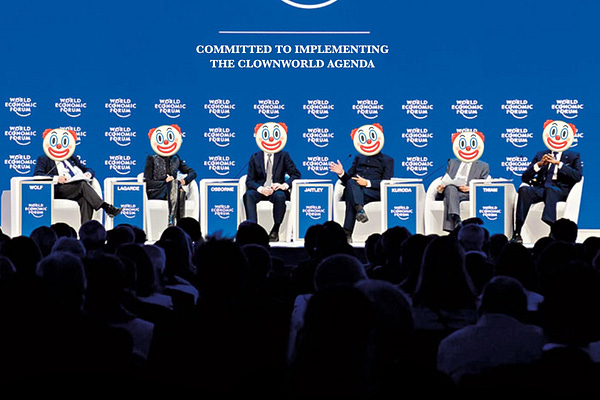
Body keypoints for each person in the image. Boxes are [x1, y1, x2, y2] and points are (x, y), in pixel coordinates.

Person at [512, 120, 583, 243]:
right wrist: (539, 164)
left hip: (560, 190)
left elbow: (577, 176)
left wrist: (558, 164)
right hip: (541, 188)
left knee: (551, 190)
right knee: (524, 190)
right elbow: (525, 178)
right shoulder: (541, 154)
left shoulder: (573, 156)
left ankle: (552, 228)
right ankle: (517, 231)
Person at [34, 128, 122, 223]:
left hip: (75, 188)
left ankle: (85, 229)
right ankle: (106, 207)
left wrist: (88, 174)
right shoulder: (44, 158)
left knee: (85, 200)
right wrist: (56, 178)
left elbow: (88, 169)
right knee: (82, 184)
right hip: (58, 189)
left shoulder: (72, 158)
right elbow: (37, 176)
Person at [329, 123, 394, 241]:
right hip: (355, 188)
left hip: (373, 193)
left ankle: (347, 232)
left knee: (351, 196)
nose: (368, 141)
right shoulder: (358, 158)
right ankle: (359, 209)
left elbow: (386, 182)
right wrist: (341, 173)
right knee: (350, 183)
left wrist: (367, 183)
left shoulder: (388, 160)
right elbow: (348, 179)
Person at [243, 122, 301, 242]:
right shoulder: (255, 157)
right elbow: (249, 181)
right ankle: (253, 230)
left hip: (276, 191)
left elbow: (296, 174)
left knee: (280, 197)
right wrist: (261, 189)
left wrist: (284, 185)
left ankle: (275, 230)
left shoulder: (283, 155)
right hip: (260, 190)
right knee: (248, 195)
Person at [435, 130, 490, 232]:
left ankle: (454, 226)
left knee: (448, 199)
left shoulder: (483, 166)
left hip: (468, 194)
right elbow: (447, 179)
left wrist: (470, 188)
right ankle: (456, 219)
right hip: (452, 191)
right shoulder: (452, 162)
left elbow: (482, 186)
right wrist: (441, 188)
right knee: (450, 188)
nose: (467, 148)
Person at [144, 124, 197, 227]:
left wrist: (185, 181)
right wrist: (165, 182)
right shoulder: (151, 158)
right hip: (157, 192)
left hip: (173, 191)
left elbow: (193, 173)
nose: (166, 142)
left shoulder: (176, 158)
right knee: (177, 188)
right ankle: (178, 222)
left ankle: (173, 221)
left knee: (177, 187)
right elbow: (147, 182)